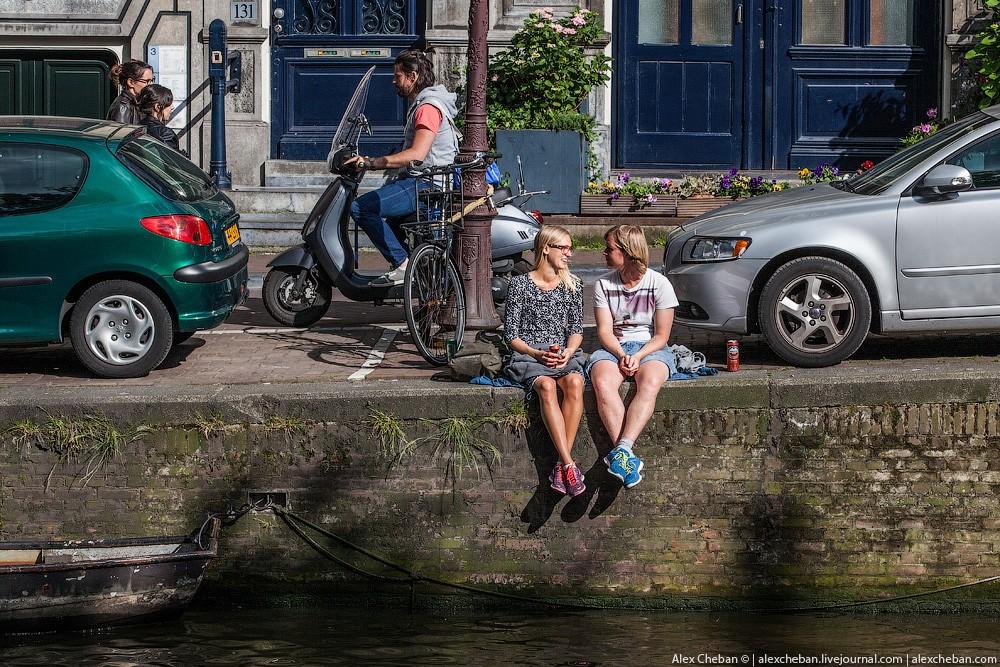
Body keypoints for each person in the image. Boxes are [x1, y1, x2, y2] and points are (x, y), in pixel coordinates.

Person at [345, 49, 460, 286]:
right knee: (392, 222)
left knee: (361, 208)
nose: (394, 81)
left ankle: (402, 265)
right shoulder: (423, 104)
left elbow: (417, 153)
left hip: (427, 183)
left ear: (413, 76)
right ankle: (417, 272)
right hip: (422, 180)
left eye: (398, 76)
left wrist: (373, 163)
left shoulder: (427, 108)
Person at [587, 224, 678, 489]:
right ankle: (625, 457)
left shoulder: (659, 284)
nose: (604, 253)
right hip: (613, 346)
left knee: (649, 383)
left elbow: (662, 336)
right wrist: (619, 353)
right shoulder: (603, 284)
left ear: (627, 252)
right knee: (602, 382)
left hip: (650, 347)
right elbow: (604, 331)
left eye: (609, 248)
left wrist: (638, 355)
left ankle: (622, 450)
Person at [502, 225, 587, 497]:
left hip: (561, 353)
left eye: (570, 248)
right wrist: (536, 353)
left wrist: (569, 352)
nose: (568, 253)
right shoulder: (519, 284)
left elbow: (576, 330)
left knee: (574, 382)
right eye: (563, 247)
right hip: (529, 354)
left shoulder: (572, 285)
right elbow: (511, 335)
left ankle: (562, 468)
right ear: (546, 248)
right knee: (547, 388)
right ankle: (569, 464)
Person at [137, 84, 186, 155]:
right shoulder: (165, 133)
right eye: (169, 104)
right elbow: (174, 162)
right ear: (158, 107)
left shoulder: (138, 126)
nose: (172, 107)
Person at [107, 59, 154, 124]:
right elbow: (121, 133)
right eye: (146, 81)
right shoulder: (123, 107)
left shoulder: (137, 102)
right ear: (131, 82)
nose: (150, 85)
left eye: (152, 80)